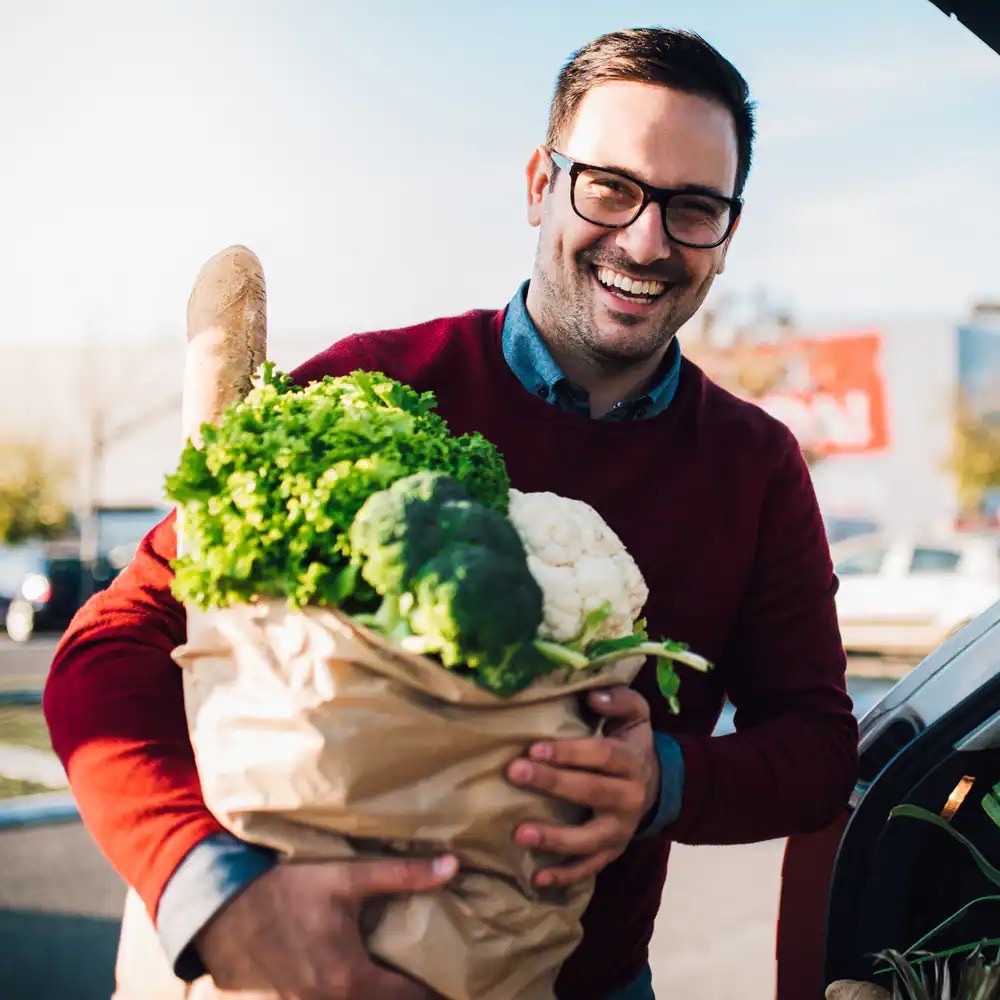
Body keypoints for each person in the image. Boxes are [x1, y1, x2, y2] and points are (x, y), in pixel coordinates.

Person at [44, 26, 858, 1000]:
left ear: (726, 236)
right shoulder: (365, 387)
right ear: (537, 184)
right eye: (609, 186)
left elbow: (816, 749)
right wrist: (211, 892)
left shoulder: (754, 466)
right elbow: (112, 642)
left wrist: (663, 784)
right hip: (305, 969)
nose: (645, 240)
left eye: (692, 208)